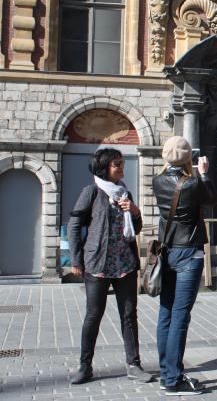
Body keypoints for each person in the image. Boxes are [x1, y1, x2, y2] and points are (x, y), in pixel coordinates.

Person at [68, 148, 150, 385]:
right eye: (117, 164)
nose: (122, 168)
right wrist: (76, 259)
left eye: (123, 163)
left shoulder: (126, 193)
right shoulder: (91, 192)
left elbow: (137, 227)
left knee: (129, 315)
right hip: (98, 264)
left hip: (125, 263)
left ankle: (134, 365)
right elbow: (75, 225)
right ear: (105, 168)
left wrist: (134, 211)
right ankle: (85, 367)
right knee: (94, 315)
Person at [153, 136, 215, 395]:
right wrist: (204, 174)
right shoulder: (192, 183)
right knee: (180, 315)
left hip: (168, 251)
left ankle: (166, 371)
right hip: (189, 253)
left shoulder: (157, 180)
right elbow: (211, 199)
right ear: (189, 157)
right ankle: (173, 379)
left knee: (166, 312)